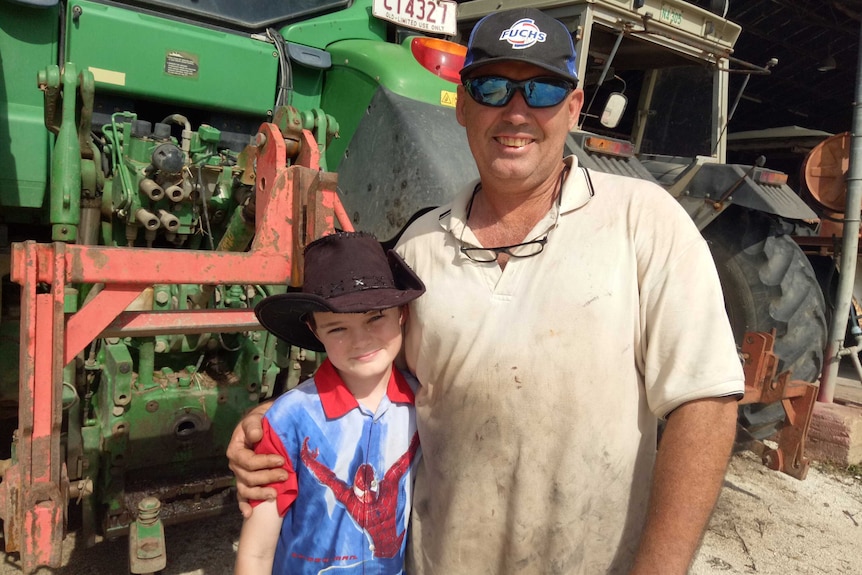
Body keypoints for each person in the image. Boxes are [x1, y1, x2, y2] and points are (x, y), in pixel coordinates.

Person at [228, 8, 745, 574]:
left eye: (542, 89)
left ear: (573, 107)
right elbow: (373, 367)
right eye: (492, 87)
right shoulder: (419, 248)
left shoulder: (644, 222)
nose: (516, 110)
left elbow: (705, 403)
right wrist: (278, 420)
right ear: (464, 107)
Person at [233, 231, 425, 575]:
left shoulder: (422, 404)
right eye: (337, 328)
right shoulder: (287, 421)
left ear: (402, 313)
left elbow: (397, 471)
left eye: (375, 317)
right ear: (314, 329)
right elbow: (256, 553)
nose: (360, 339)